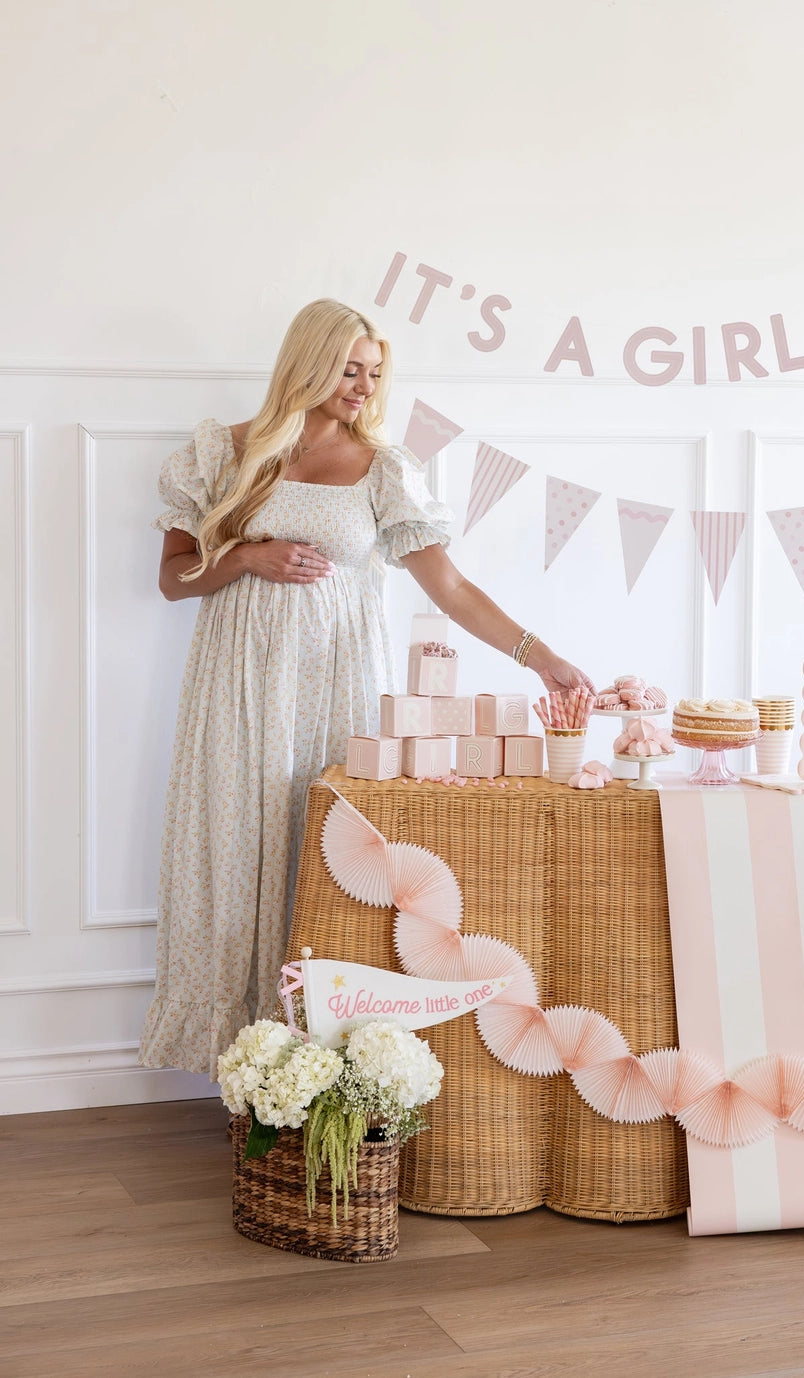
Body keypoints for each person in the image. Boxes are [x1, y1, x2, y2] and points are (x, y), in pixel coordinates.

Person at [138, 298, 593, 1078]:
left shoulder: (383, 467)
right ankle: (244, 1067)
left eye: (375, 373)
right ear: (308, 362)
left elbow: (448, 586)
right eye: (349, 369)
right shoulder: (226, 452)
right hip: (238, 686)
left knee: (325, 857)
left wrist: (539, 656)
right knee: (230, 851)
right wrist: (248, 558)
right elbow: (173, 577)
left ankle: (320, 1068)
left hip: (334, 684)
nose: (363, 387)